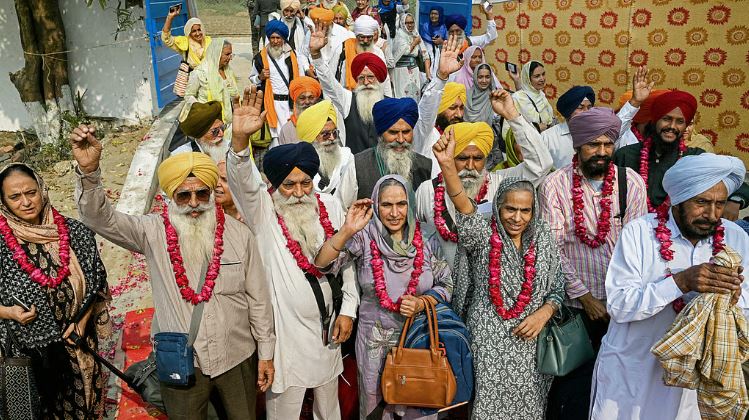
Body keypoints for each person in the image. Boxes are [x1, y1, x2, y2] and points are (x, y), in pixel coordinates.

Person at [71, 127, 276, 419]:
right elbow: (98, 218)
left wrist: (266, 353)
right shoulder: (151, 232)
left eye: (201, 193)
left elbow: (258, 299)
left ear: (210, 192)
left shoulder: (239, 235)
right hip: (182, 360)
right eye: (184, 195)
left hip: (237, 357)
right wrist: (89, 172)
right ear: (170, 195)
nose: (194, 202)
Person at [225, 87, 358, 420]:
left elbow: (349, 263)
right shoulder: (264, 212)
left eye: (305, 183)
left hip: (328, 327)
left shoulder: (327, 205)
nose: (299, 193)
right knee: (284, 410)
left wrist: (349, 311)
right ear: (275, 185)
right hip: (286, 336)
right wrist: (240, 143)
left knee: (329, 410)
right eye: (289, 185)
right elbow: (242, 180)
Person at [591, 153, 749, 420]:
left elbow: (747, 306)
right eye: (701, 202)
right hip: (635, 371)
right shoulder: (639, 233)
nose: (711, 215)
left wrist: (732, 301)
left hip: (694, 379)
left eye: (719, 204)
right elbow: (619, 306)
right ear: (678, 199)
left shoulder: (735, 237)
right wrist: (680, 282)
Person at [432, 127, 564, 419]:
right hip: (487, 341)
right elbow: (464, 207)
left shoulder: (542, 235)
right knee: (486, 410)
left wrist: (542, 314)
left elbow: (557, 286)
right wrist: (447, 166)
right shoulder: (483, 232)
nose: (517, 218)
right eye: (509, 209)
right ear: (497, 207)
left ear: (534, 211)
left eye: (525, 211)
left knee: (530, 409)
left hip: (532, 342)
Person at [539, 107, 648, 419]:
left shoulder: (631, 183)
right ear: (577, 146)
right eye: (593, 145)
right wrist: (585, 297)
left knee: (618, 384)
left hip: (621, 305)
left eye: (607, 144)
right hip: (576, 307)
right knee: (573, 386)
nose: (601, 152)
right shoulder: (555, 186)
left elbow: (637, 245)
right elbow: (552, 249)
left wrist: (620, 298)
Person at [314, 175, 452, 419]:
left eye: (401, 204)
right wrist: (347, 230)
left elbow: (446, 285)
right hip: (374, 345)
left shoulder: (428, 236)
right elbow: (323, 264)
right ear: (376, 205)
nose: (394, 213)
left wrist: (422, 302)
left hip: (418, 341)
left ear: (410, 204)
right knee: (377, 410)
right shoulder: (364, 236)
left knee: (418, 405)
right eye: (386, 205)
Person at [0, 163, 111, 418]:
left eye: (31, 192)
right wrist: (9, 313)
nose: (26, 202)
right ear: (3, 202)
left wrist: (82, 322)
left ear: (42, 189)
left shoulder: (75, 232)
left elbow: (96, 281)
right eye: (15, 197)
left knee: (84, 408)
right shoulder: (1, 243)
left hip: (78, 344)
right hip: (29, 357)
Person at [415, 89, 553, 269]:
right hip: (443, 291)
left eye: (478, 159)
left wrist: (512, 116)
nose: (471, 166)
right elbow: (419, 242)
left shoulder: (500, 184)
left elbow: (541, 165)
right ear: (450, 157)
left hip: (493, 289)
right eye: (463, 158)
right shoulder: (428, 191)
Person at [543, 67, 652, 169]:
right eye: (580, 108)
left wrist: (636, 101)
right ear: (568, 112)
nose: (586, 112)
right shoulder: (549, 137)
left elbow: (620, 122)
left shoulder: (600, 132)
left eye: (589, 107)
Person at [613, 89, 704, 212]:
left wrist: (735, 200)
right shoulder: (625, 155)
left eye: (680, 121)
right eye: (666, 119)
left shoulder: (695, 157)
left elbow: (732, 170)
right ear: (655, 120)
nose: (672, 126)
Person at [311, 24, 389, 154]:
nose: (366, 82)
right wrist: (316, 55)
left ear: (379, 79)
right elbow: (329, 83)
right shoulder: (348, 100)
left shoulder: (389, 105)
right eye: (361, 78)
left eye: (371, 77)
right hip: (354, 168)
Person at [345, 97, 432, 200]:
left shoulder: (425, 166)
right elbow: (342, 209)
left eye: (406, 132)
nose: (400, 139)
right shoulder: (357, 165)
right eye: (393, 132)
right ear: (381, 134)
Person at [250, 20, 308, 139]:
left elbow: (300, 79)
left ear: (283, 38)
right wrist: (260, 77)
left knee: (292, 135)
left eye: (278, 38)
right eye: (272, 38)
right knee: (275, 138)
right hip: (271, 103)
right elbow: (253, 79)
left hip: (290, 104)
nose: (275, 41)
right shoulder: (260, 58)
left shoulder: (293, 55)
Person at [297, 100, 357, 209]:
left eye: (335, 133)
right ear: (312, 137)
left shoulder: (347, 157)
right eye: (325, 134)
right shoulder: (299, 164)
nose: (332, 138)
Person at [335, 15, 394, 96]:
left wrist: (388, 99)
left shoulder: (378, 52)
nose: (365, 41)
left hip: (373, 95)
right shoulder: (343, 50)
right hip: (349, 96)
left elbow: (385, 78)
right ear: (356, 36)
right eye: (362, 37)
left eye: (369, 37)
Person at [185, 39, 239, 123]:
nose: (230, 58)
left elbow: (234, 95)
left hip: (229, 121)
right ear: (216, 53)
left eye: (231, 54)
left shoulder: (228, 71)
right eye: (227, 54)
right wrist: (202, 109)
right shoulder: (200, 73)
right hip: (209, 122)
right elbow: (188, 96)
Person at [391, 12, 430, 100]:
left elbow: (425, 54)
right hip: (401, 72)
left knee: (414, 96)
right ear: (402, 23)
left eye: (412, 22)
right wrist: (414, 43)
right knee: (402, 96)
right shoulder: (399, 36)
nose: (410, 25)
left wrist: (428, 73)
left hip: (414, 70)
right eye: (407, 23)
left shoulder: (416, 34)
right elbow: (405, 51)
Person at [277, 75, 323, 145]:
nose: (307, 102)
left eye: (311, 97)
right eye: (302, 98)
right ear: (295, 100)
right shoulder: (287, 130)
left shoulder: (326, 124)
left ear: (316, 99)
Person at [512, 61, 554, 132]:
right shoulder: (519, 97)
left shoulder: (540, 94)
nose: (542, 79)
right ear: (528, 79)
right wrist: (537, 128)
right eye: (537, 76)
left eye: (543, 74)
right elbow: (516, 126)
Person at [419, 5, 446, 78]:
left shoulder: (444, 28)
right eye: (432, 13)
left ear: (440, 15)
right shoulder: (425, 26)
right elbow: (424, 43)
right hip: (427, 56)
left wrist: (441, 42)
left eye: (436, 14)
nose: (433, 16)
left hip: (440, 56)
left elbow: (447, 44)